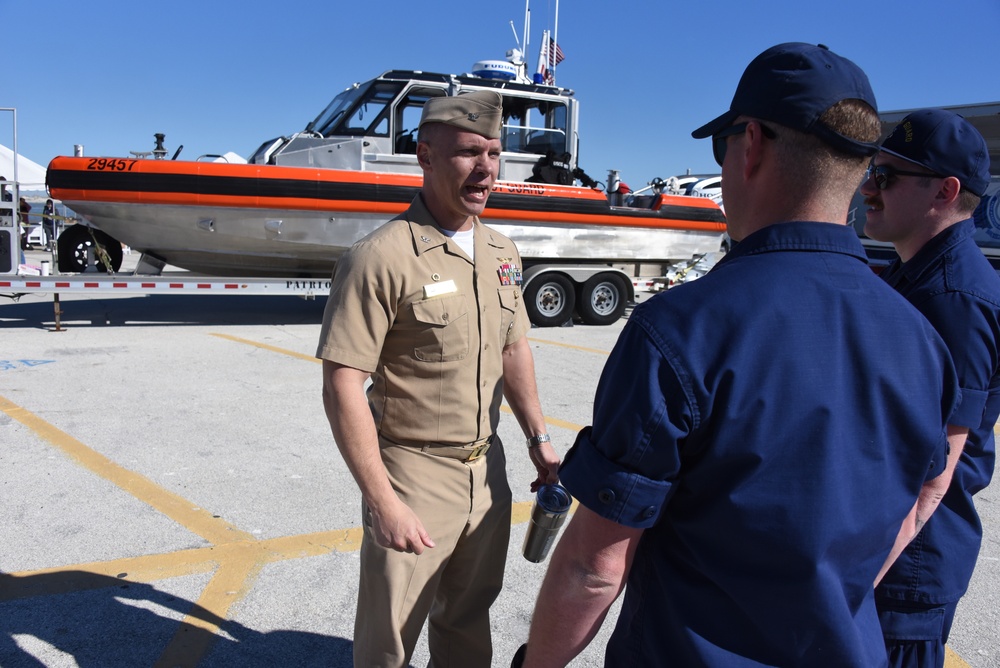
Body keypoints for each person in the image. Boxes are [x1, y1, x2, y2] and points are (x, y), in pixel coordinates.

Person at [517, 43, 961, 667]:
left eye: (721, 147)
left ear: (749, 143)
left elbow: (596, 565)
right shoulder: (923, 341)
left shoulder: (680, 329)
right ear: (859, 171)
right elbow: (922, 498)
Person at [316, 90, 560, 668]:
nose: (486, 168)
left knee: (469, 618)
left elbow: (514, 346)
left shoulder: (502, 250)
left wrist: (538, 439)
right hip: (413, 474)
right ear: (424, 155)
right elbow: (343, 383)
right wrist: (382, 500)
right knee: (390, 638)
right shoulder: (381, 257)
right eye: (468, 152)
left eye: (495, 153)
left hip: (487, 470)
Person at [860, 109, 1000, 667]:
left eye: (886, 177)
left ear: (945, 191)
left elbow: (933, 480)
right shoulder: (917, 278)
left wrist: (849, 581)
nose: (868, 188)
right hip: (889, 557)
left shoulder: (954, 299)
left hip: (903, 573)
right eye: (872, 171)